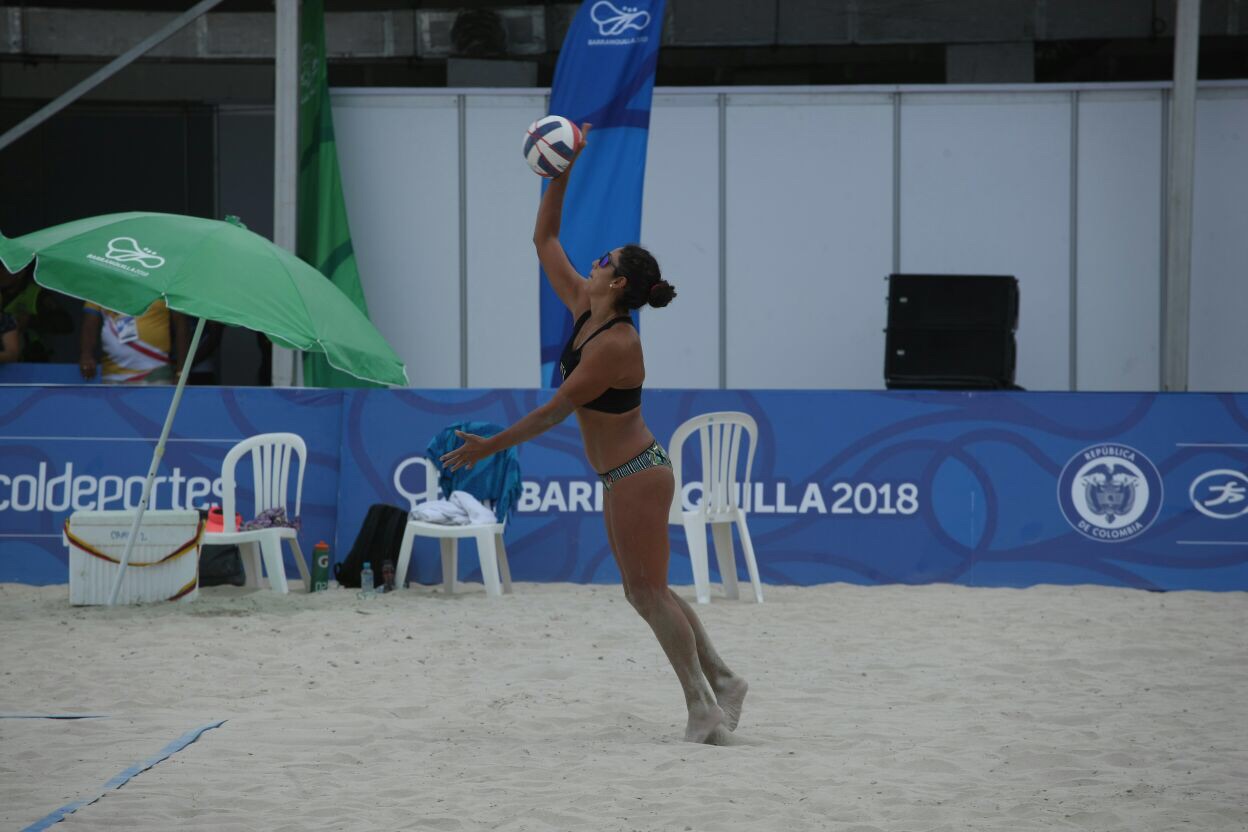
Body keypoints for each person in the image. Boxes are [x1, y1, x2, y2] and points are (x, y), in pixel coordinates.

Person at [441, 124, 748, 745]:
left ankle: (703, 704)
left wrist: (487, 448)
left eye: (605, 260)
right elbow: (544, 236)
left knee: (647, 593)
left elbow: (554, 411)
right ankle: (722, 681)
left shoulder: (617, 344)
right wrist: (563, 168)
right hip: (620, 474)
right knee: (647, 590)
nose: (596, 260)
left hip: (640, 472)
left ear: (620, 285)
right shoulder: (585, 304)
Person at [79, 298, 191, 384]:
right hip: (113, 374)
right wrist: (86, 355)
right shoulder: (104, 280)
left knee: (160, 413)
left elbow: (181, 325)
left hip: (157, 371)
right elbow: (90, 323)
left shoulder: (162, 281)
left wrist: (182, 371)